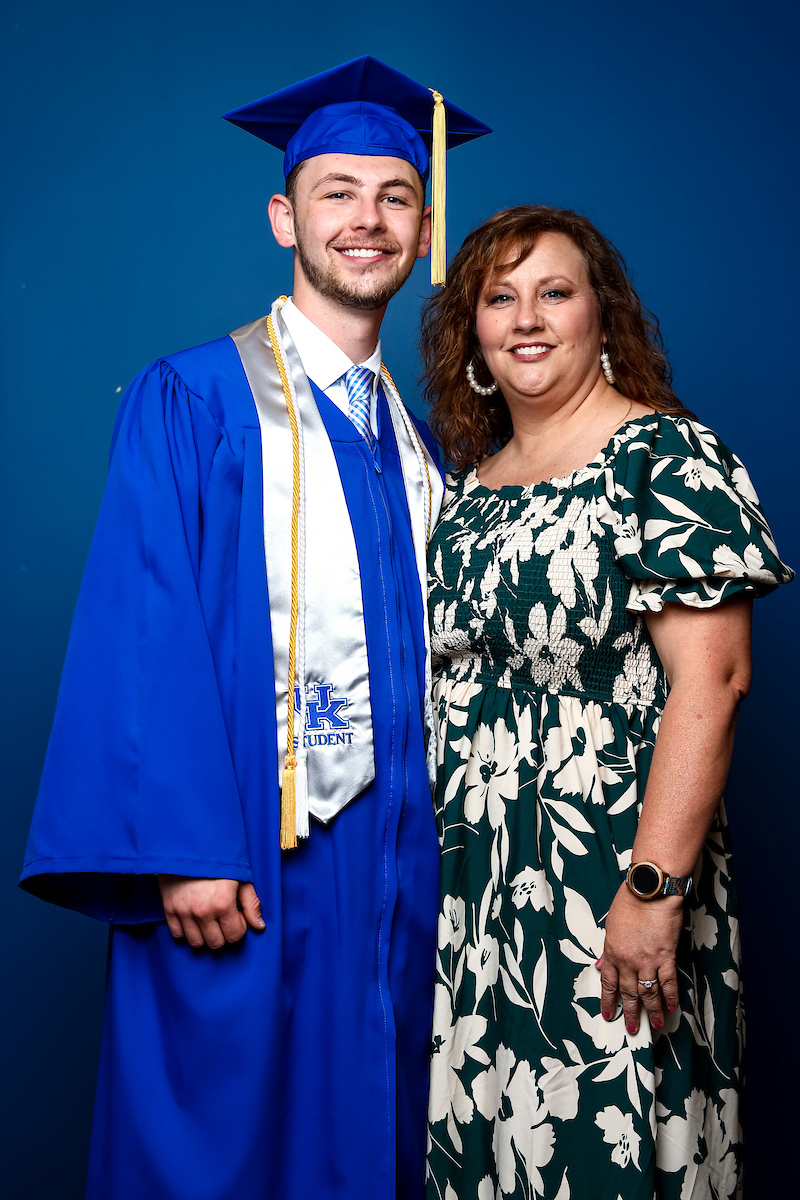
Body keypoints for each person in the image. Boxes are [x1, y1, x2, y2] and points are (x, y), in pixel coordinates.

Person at [19, 58, 489, 1200]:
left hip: (401, 862)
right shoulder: (194, 398)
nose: (365, 220)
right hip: (248, 848)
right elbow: (142, 627)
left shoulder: (428, 442)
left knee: (382, 1127)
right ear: (284, 215)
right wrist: (183, 848)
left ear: (423, 227)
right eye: (336, 192)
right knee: (226, 1140)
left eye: (392, 195)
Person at [421, 205, 793, 1200]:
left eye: (554, 290)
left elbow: (711, 681)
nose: (526, 318)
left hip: (606, 879)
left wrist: (650, 896)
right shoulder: (470, 484)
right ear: (470, 332)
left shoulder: (662, 461)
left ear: (600, 315)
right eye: (498, 298)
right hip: (481, 893)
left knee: (601, 1146)